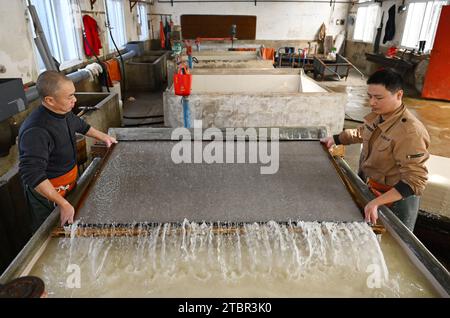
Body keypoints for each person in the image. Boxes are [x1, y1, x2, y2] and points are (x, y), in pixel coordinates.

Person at [321, 69, 430, 231]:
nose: (372, 103)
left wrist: (377, 202)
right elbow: (361, 133)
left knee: (394, 242)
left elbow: (416, 180)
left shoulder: (410, 132)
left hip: (397, 200)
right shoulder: (380, 116)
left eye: (378, 98)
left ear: (399, 95)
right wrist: (335, 139)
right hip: (372, 187)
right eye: (370, 97)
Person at [19, 71, 117, 232]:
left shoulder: (62, 112)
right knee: (52, 231)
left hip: (68, 184)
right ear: (49, 100)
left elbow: (80, 125)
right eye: (69, 96)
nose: (75, 100)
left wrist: (104, 137)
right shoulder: (36, 130)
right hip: (49, 195)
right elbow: (33, 174)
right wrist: (63, 203)